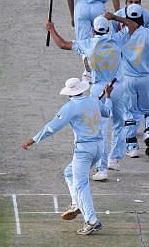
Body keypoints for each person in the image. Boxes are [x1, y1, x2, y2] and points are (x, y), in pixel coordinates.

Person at [21, 78, 114, 236]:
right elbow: (107, 112)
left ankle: (92, 221)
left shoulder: (70, 107)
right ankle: (76, 203)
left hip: (84, 150)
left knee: (81, 185)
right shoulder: (93, 101)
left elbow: (51, 127)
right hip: (99, 148)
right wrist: (107, 96)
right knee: (69, 173)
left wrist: (33, 140)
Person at [45, 16, 123, 181]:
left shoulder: (88, 43)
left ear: (93, 30)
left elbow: (62, 44)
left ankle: (102, 168)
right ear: (108, 29)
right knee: (119, 124)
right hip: (118, 87)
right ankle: (115, 158)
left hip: (98, 89)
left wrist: (51, 29)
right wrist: (116, 17)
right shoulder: (117, 39)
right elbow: (133, 26)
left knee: (101, 129)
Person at [105, 4, 149, 158]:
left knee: (130, 113)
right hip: (146, 78)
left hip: (127, 80)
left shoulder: (121, 36)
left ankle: (132, 146)